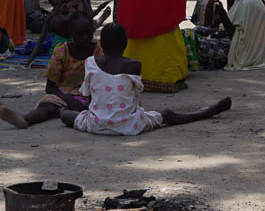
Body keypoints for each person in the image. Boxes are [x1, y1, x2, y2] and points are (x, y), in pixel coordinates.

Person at [59, 23, 231, 135]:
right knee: (167, 115)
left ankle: (207, 112)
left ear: (101, 44)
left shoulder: (90, 62)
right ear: (125, 44)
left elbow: (89, 99)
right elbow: (135, 99)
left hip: (97, 125)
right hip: (129, 125)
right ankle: (206, 113)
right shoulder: (134, 65)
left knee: (65, 114)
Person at [0, 13, 101, 129]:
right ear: (71, 33)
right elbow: (50, 87)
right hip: (64, 95)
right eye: (80, 34)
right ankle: (25, 119)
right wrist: (69, 100)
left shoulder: (99, 51)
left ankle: (67, 113)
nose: (85, 37)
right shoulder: (62, 51)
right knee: (47, 106)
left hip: (91, 96)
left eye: (88, 32)